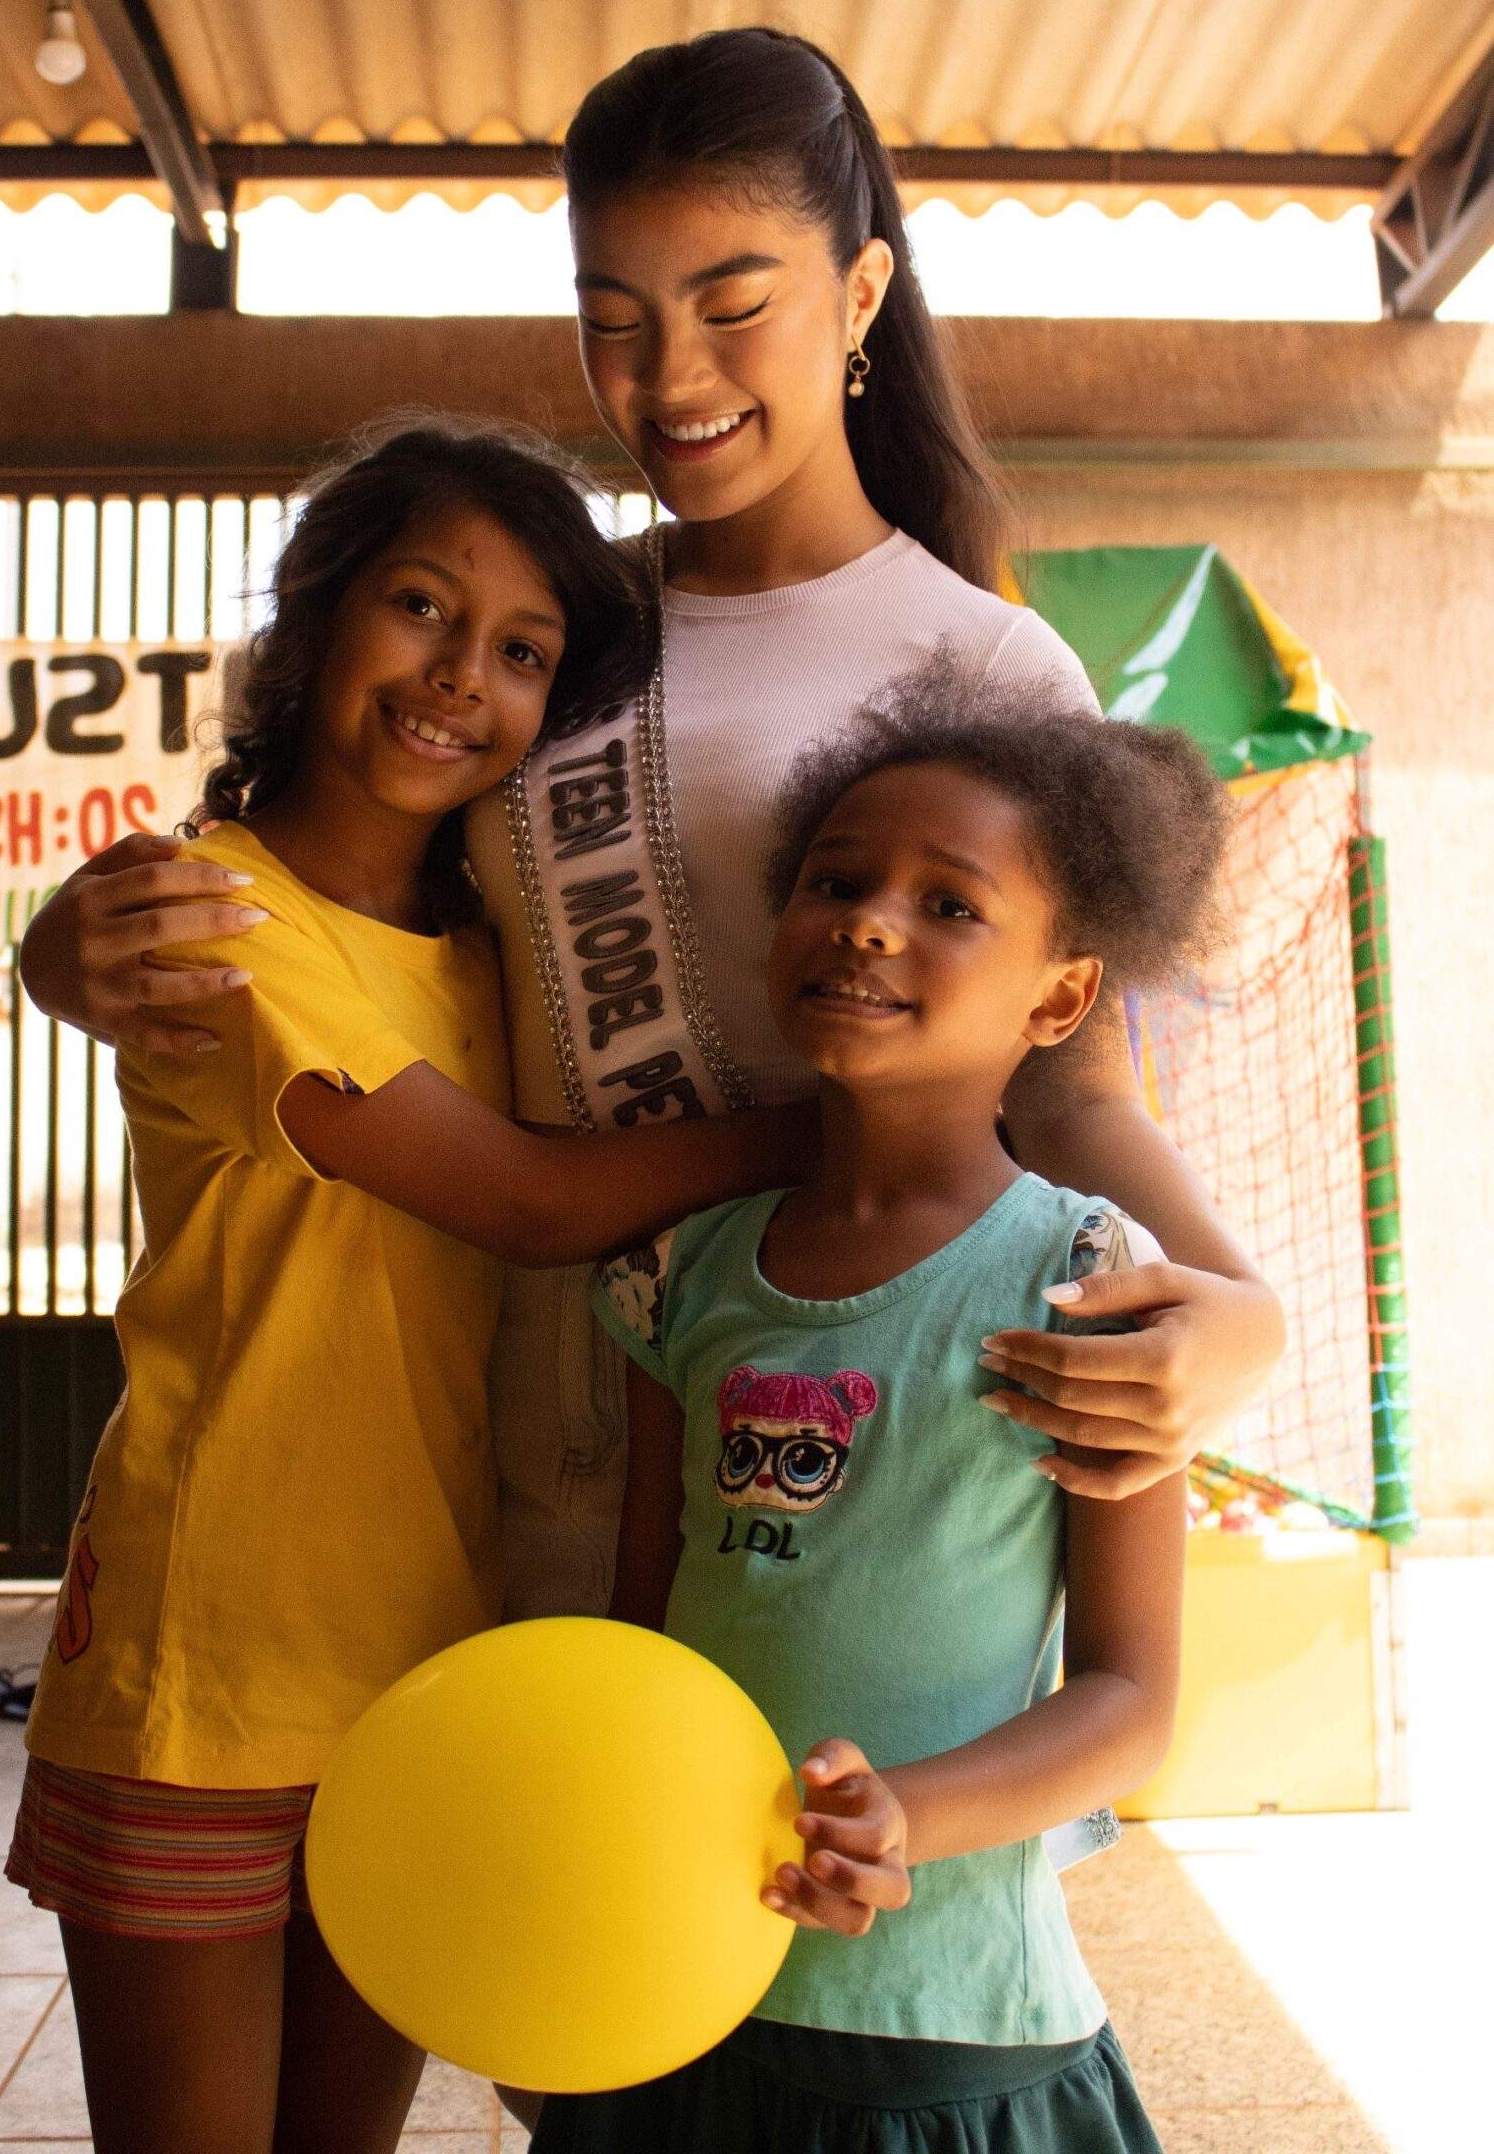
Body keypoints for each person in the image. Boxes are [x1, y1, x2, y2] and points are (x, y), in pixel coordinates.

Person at [20, 23, 1283, 1629]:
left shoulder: (984, 658)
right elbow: (344, 905)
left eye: (732, 307)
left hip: (844, 1464)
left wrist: (1247, 1315)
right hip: (525, 1442)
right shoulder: (550, 629)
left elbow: (1074, 1091)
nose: (668, 379)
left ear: (862, 300)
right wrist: (74, 954)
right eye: (611, 322)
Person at [5, 421, 810, 2154]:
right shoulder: (213, 916)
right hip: (202, 1664)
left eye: (521, 652)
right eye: (420, 607)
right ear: (312, 617)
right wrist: (848, 1131)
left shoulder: (487, 945)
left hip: (414, 1668)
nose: (461, 678)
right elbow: (530, 1203)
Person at [533, 665, 1226, 2152]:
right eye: (837, 881)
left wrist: (910, 1812)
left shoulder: (1087, 1279)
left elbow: (1129, 1703)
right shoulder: (687, 1273)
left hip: (944, 2026)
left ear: (1062, 994)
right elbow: (645, 1625)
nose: (868, 920)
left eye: (949, 905)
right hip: (688, 1991)